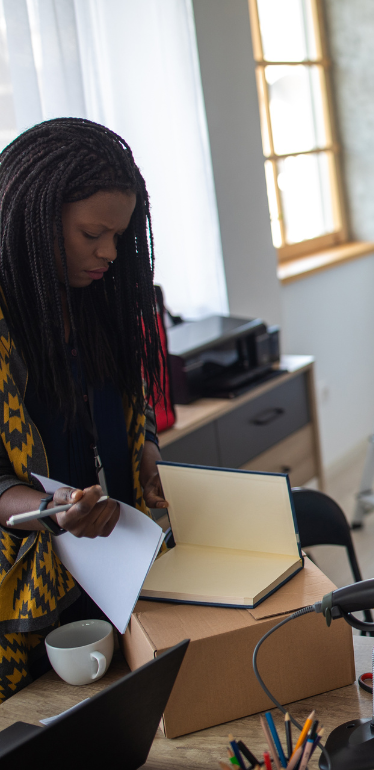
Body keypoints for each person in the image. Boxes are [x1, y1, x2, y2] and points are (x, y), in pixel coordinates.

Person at [0, 118, 169, 702]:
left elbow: (127, 394)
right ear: (34, 221)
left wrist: (143, 448)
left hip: (113, 562)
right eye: (92, 233)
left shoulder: (98, 293)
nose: (109, 252)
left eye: (119, 235)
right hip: (26, 590)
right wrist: (50, 509)